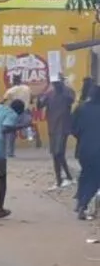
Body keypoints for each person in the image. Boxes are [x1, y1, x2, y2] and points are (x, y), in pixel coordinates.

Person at [39, 75, 76, 190]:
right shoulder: (50, 94)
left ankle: (62, 179)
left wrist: (63, 86)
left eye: (57, 82)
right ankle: (63, 178)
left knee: (58, 153)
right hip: (53, 127)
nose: (55, 84)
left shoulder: (68, 92)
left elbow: (71, 99)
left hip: (63, 127)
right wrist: (44, 91)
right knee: (57, 155)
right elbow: (40, 105)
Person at [72, 85, 100, 220]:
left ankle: (79, 202)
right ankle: (83, 205)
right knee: (95, 179)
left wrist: (83, 136)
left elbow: (73, 129)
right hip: (98, 150)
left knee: (85, 174)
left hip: (83, 148)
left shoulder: (81, 108)